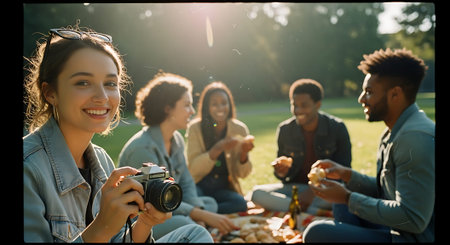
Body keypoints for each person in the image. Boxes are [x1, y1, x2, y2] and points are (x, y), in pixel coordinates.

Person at [23, 26, 213, 243]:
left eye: (110, 83)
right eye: (83, 82)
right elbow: (103, 234)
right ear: (50, 93)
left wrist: (145, 222)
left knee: (195, 234)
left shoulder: (102, 160)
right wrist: (102, 227)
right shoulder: (29, 168)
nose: (102, 96)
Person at [303, 48, 435, 242]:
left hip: (414, 237)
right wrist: (346, 174)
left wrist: (348, 198)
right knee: (343, 200)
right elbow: (387, 192)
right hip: (397, 228)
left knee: (316, 232)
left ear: (395, 94)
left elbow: (413, 219)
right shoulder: (395, 130)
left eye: (369, 92)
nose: (361, 99)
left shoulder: (414, 138)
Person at [118, 72, 239, 239]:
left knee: (208, 204)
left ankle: (195, 227)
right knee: (187, 221)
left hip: (168, 207)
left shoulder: (176, 139)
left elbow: (187, 183)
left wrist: (199, 213)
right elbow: (154, 202)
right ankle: (194, 229)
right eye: (187, 105)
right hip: (142, 219)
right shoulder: (142, 148)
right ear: (168, 108)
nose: (192, 110)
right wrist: (199, 216)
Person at [250, 79, 352, 214]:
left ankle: (295, 207)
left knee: (346, 197)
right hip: (294, 189)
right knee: (257, 194)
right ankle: (312, 211)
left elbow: (344, 170)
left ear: (318, 104)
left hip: (325, 190)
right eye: (294, 105)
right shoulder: (285, 130)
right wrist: (281, 172)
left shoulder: (337, 128)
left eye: (304, 105)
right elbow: (282, 176)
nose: (298, 110)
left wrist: (312, 192)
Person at [186, 81, 254, 214]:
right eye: (214, 104)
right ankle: (205, 212)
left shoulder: (239, 129)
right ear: (207, 107)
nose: (220, 108)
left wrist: (243, 155)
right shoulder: (195, 128)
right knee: (193, 200)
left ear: (230, 105)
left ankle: (205, 214)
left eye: (224, 103)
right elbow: (193, 170)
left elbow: (243, 174)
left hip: (223, 188)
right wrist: (217, 148)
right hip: (199, 185)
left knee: (240, 203)